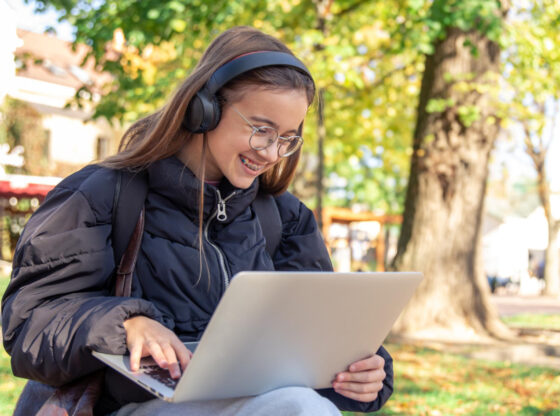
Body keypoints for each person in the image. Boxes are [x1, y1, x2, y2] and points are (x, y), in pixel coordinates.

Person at [1, 26, 394, 415]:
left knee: (297, 404)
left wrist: (365, 371)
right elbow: (28, 324)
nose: (273, 152)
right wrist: (127, 324)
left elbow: (317, 335)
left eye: (287, 138)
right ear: (203, 109)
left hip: (258, 404)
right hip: (130, 406)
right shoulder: (100, 195)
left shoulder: (286, 219)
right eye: (262, 130)